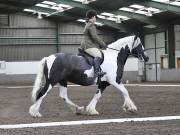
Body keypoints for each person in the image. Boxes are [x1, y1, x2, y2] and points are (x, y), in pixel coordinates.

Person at [80, 9, 106, 78]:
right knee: (99, 55)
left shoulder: (87, 24)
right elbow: (95, 37)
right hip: (89, 46)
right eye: (95, 17)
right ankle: (97, 73)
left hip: (84, 45)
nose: (96, 19)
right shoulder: (91, 25)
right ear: (92, 17)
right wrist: (103, 44)